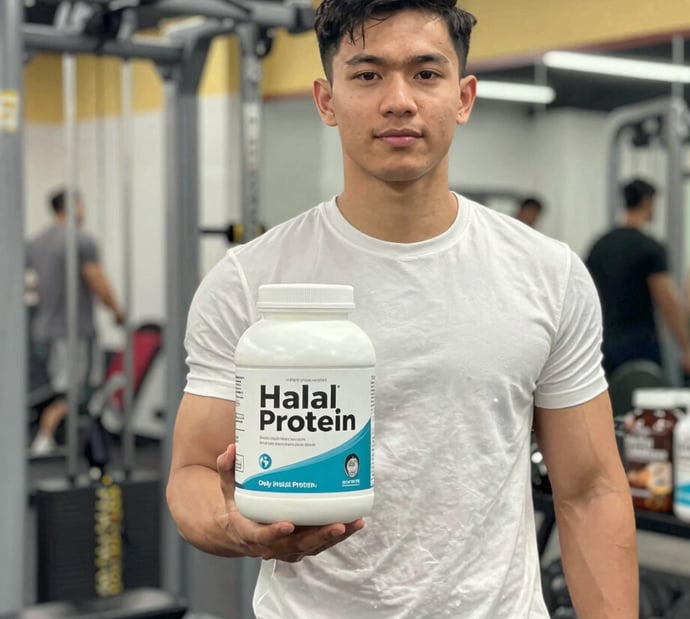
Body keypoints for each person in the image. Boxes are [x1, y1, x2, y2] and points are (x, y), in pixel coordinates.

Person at [166, 2, 638, 618]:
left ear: (463, 96)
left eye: (425, 73)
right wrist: (235, 527)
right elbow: (192, 473)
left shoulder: (547, 274)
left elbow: (591, 493)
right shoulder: (248, 282)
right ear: (326, 100)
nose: (398, 100)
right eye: (367, 75)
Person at [26, 188, 124, 456]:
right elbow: (97, 280)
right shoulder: (81, 240)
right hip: (71, 332)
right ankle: (44, 441)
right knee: (71, 392)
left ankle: (57, 439)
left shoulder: (36, 243)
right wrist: (117, 311)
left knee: (55, 387)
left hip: (40, 330)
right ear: (74, 206)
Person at [585, 178, 690, 380]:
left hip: (600, 346)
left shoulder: (599, 246)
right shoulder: (650, 248)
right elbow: (667, 302)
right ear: (648, 202)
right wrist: (688, 347)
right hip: (638, 346)